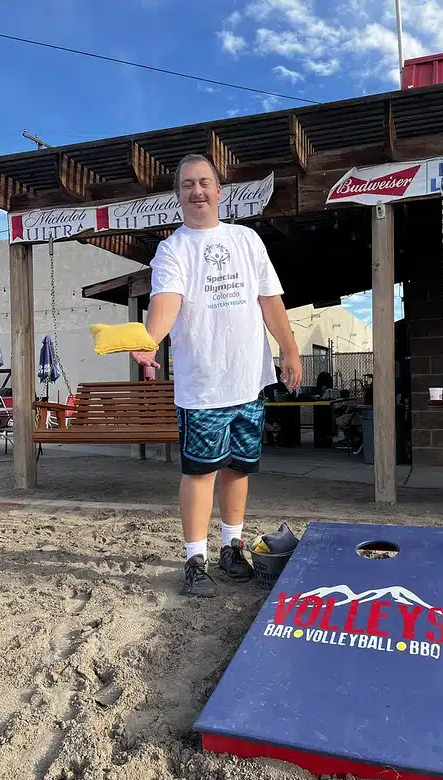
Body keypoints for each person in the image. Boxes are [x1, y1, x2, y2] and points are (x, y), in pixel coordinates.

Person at [131, 154, 302, 596]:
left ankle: (231, 547)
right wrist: (150, 339)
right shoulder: (173, 249)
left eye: (204, 182)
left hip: (248, 379)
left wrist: (290, 349)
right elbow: (165, 301)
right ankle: (194, 559)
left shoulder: (247, 240)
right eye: (187, 184)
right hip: (203, 384)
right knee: (200, 473)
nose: (197, 191)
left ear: (219, 190)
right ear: (178, 195)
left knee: (239, 470)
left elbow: (270, 301)